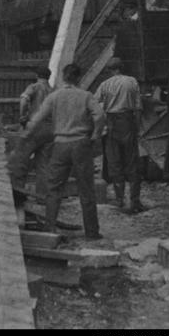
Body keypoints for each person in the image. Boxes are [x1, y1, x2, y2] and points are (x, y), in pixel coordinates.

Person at [26, 62, 105, 239]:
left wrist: (27, 135)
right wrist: (95, 135)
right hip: (81, 145)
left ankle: (49, 229)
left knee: (53, 189)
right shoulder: (86, 96)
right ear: (78, 78)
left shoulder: (54, 97)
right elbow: (100, 115)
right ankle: (92, 233)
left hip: (60, 145)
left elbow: (37, 119)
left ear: (63, 77)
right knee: (86, 189)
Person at [96, 56, 145, 214]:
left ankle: (119, 200)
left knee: (114, 161)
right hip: (128, 121)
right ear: (121, 67)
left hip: (111, 123)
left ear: (110, 70)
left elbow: (95, 103)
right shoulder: (132, 81)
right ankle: (135, 201)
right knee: (131, 161)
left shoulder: (105, 84)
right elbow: (138, 107)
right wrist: (136, 128)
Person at [8, 65, 54, 200]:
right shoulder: (53, 91)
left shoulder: (34, 87)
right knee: (43, 165)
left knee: (19, 161)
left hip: (34, 128)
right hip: (50, 130)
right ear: (49, 77)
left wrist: (22, 117)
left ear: (37, 76)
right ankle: (42, 197)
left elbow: (24, 100)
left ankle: (18, 195)